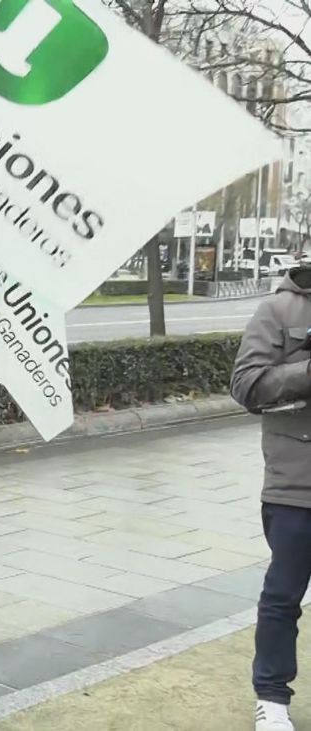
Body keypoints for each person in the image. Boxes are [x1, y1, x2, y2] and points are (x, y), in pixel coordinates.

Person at [231, 263, 311, 731]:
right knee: (282, 597)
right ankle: (272, 698)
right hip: (296, 485)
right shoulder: (279, 309)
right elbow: (247, 386)